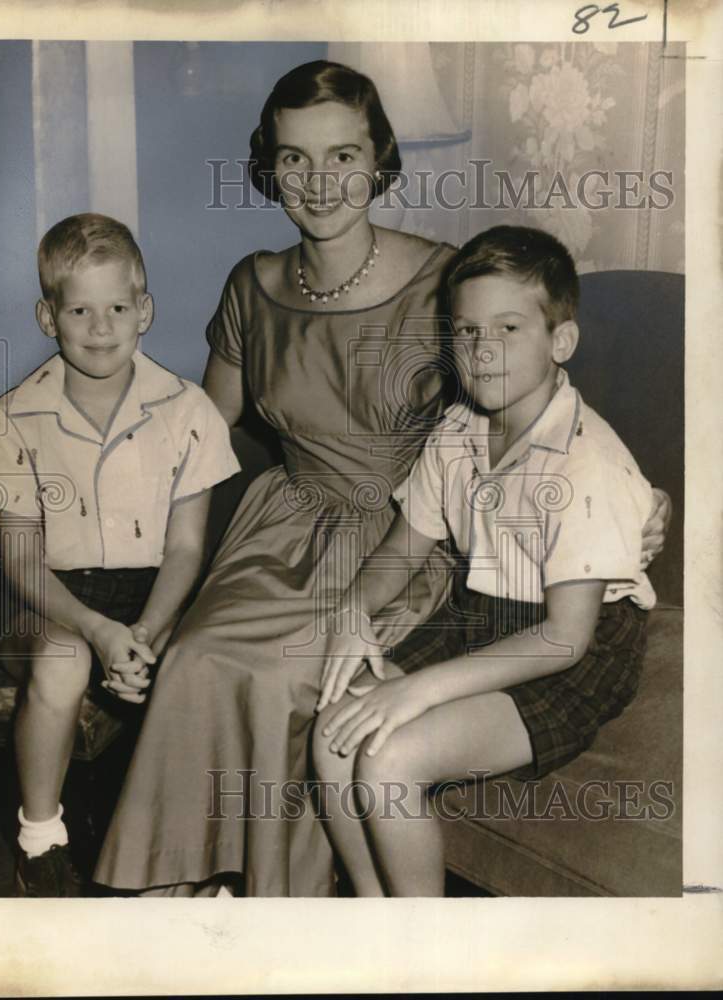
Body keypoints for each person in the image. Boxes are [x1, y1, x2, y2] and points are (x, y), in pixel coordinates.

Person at [94, 62, 669, 898]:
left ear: (378, 159)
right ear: (269, 167)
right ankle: (189, 881)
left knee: (305, 673)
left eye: (343, 155)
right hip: (288, 525)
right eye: (294, 159)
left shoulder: (449, 280)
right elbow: (203, 438)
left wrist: (649, 503)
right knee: (199, 656)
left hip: (413, 533)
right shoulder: (251, 285)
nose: (320, 181)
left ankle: (283, 899)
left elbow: (549, 400)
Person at [311, 225, 657, 896]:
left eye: (507, 329)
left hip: (569, 647)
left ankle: (427, 951)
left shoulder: (588, 462)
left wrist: (414, 690)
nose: (483, 352)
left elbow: (563, 638)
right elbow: (400, 551)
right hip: (484, 616)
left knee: (388, 757)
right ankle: (370, 917)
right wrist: (355, 608)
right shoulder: (457, 431)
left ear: (560, 342)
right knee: (332, 737)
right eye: (466, 333)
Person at [0, 213, 239, 896]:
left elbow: (186, 546)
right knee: (63, 663)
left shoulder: (189, 412)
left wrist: (147, 632)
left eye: (117, 307)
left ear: (144, 310)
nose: (101, 327)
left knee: (202, 660)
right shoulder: (12, 417)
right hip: (50, 597)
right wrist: (95, 629)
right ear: (47, 316)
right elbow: (21, 561)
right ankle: (39, 838)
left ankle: (188, 860)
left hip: (154, 592)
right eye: (79, 309)